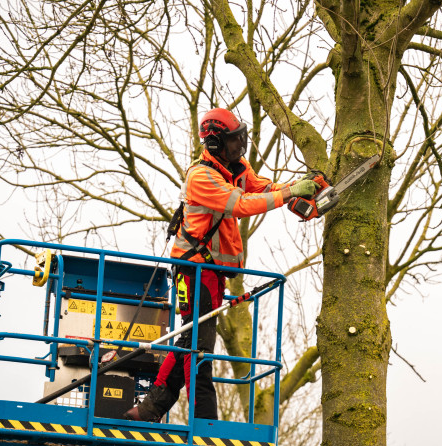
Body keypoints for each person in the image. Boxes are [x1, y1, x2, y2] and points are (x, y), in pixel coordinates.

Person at [125, 107, 320, 422]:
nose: (238, 146)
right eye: (232, 141)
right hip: (193, 270)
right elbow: (240, 205)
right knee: (198, 347)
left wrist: (297, 187)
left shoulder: (236, 166)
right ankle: (203, 421)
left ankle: (149, 409)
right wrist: (287, 196)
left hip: (213, 273)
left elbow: (259, 188)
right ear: (216, 143)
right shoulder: (201, 176)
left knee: (192, 341)